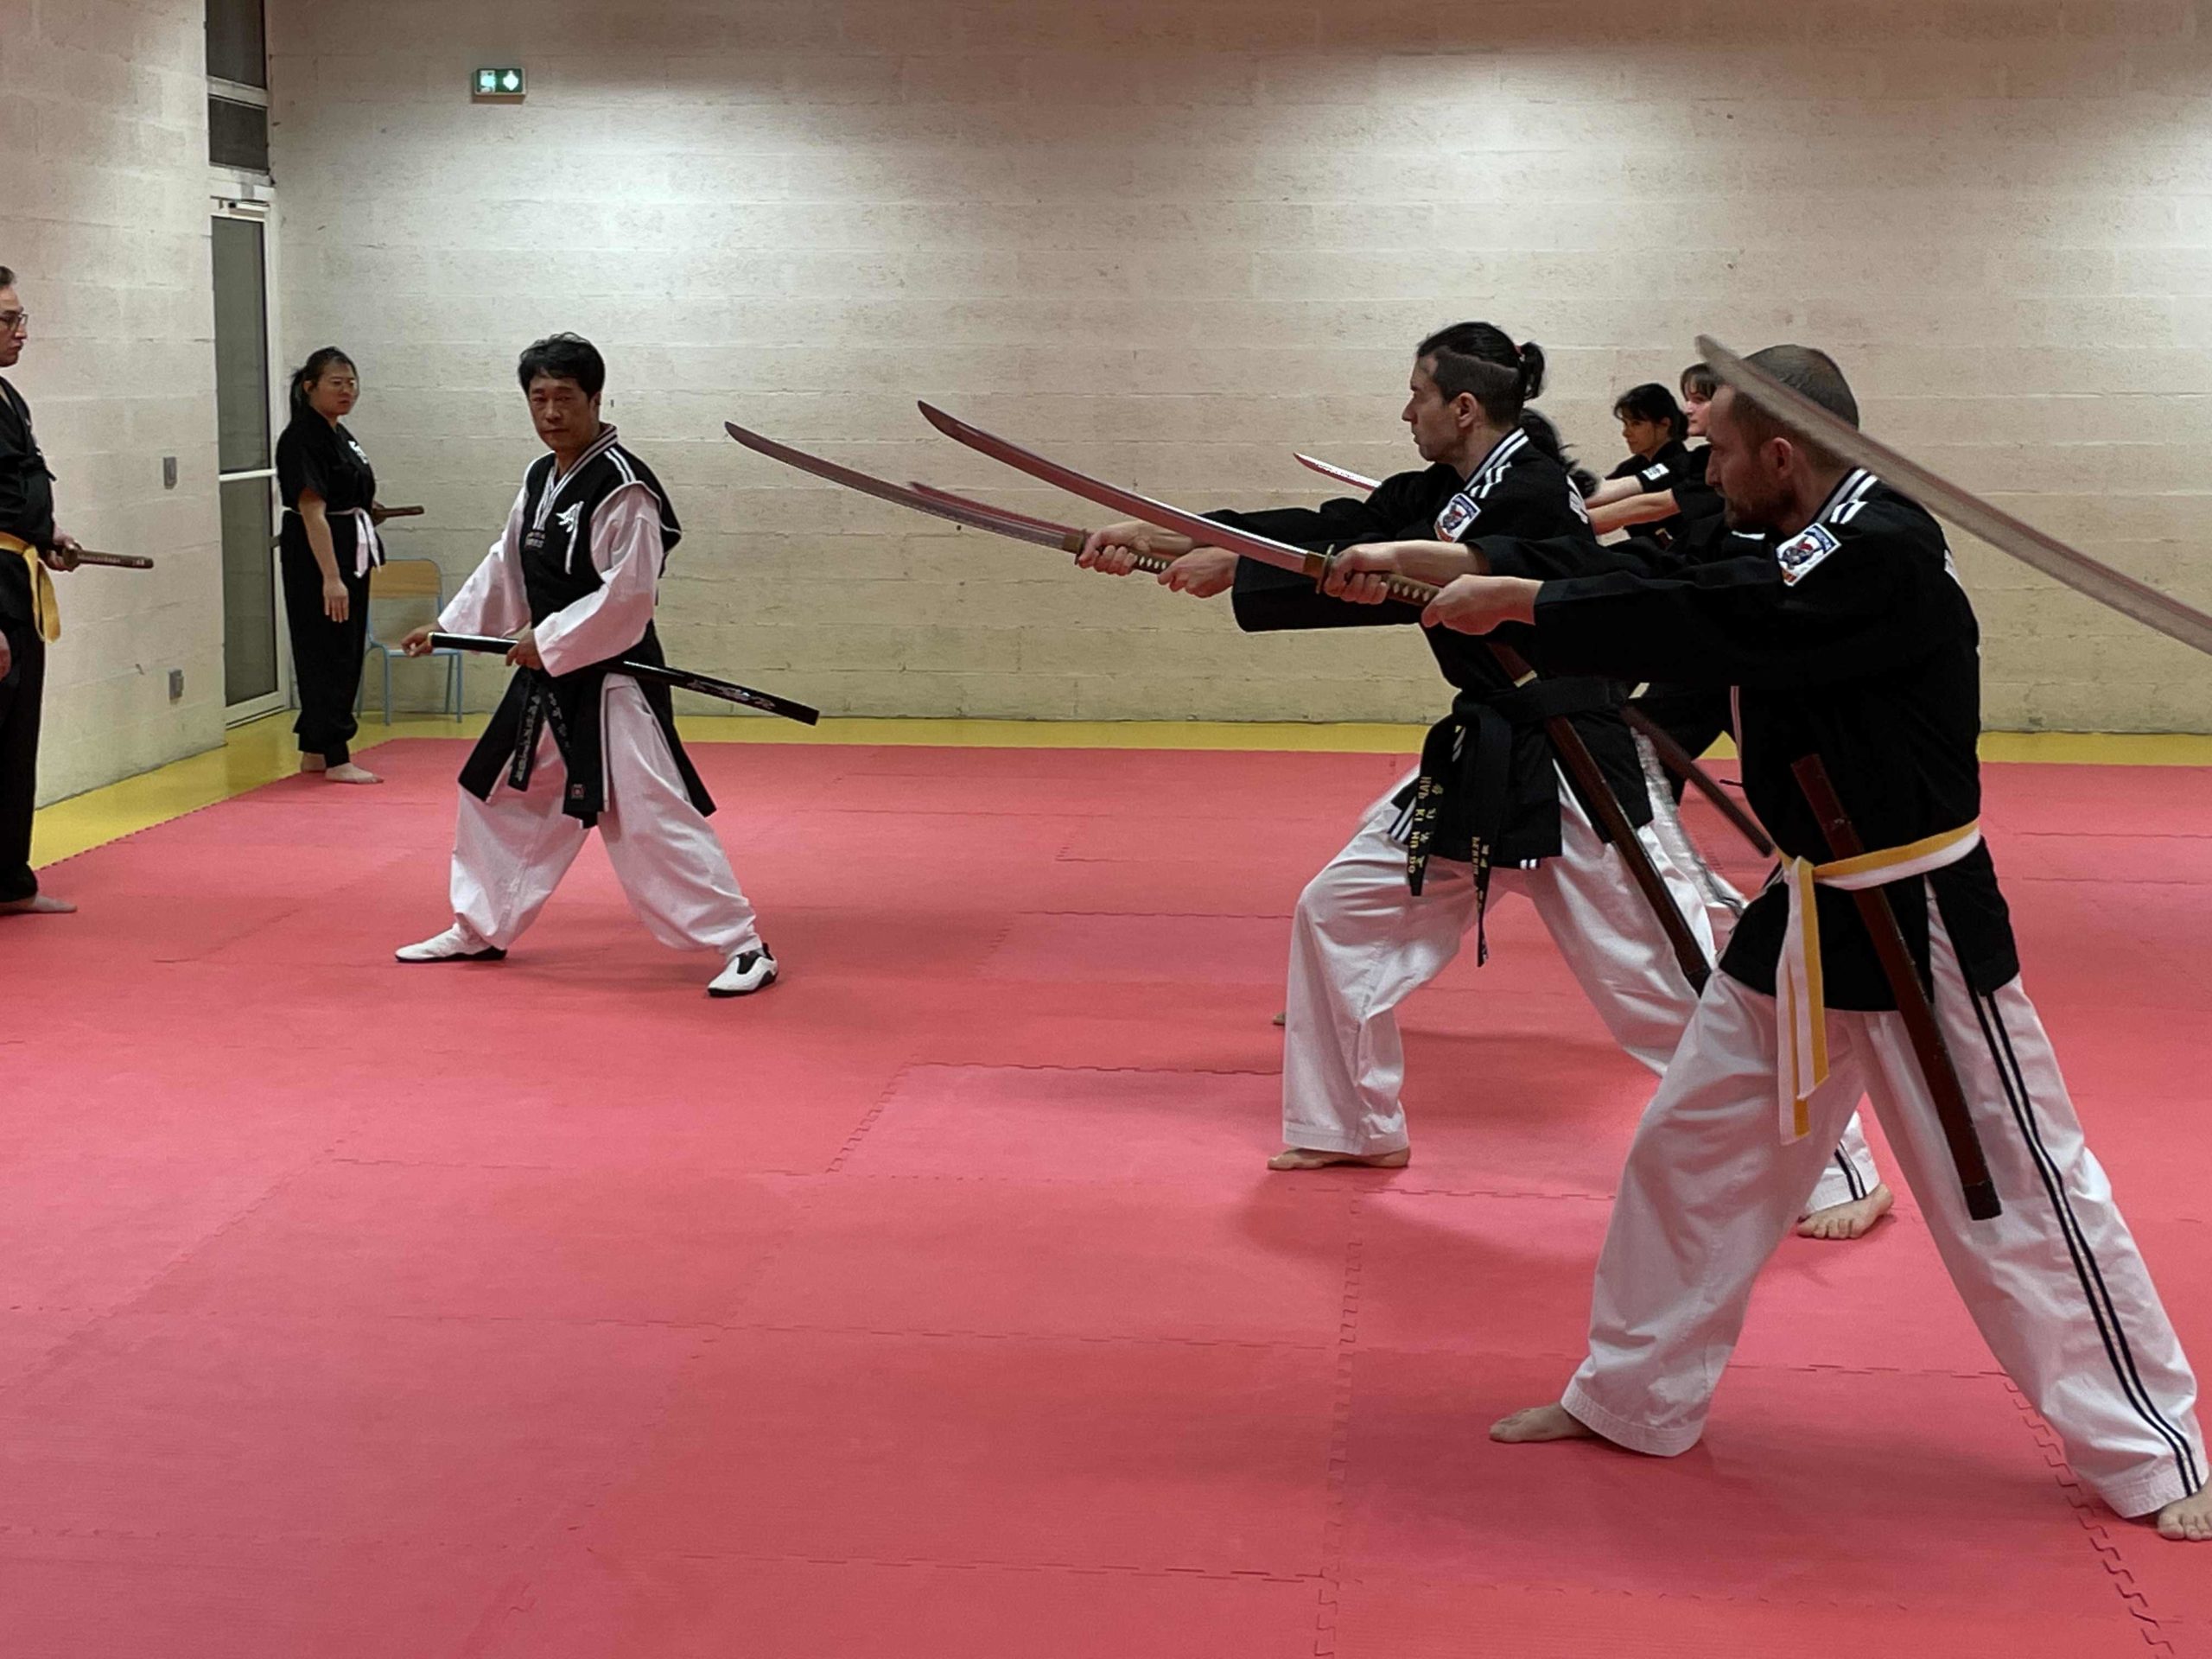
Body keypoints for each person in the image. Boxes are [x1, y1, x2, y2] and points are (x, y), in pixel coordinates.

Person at [1393, 344, 2207, 1543]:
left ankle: (2157, 1449)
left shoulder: (1883, 552)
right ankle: (1634, 1394)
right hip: (1804, 904)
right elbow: (1696, 580)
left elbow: (1728, 614)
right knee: (1690, 1152)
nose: (1703, 473)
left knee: (2013, 1189)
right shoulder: (1801, 532)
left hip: (1914, 915)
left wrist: (1530, 604)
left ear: (1782, 453)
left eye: (1719, 452)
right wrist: (1489, 568)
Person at [1081, 322, 1716, 1174]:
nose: (1406, 412)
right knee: (1341, 913)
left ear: (1464, 407)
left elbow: (1472, 565)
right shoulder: (1441, 487)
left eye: (1418, 395)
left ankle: (1827, 1168)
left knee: (1662, 976)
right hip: (1487, 748)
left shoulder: (1533, 485)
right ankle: (1348, 1127)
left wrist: (1292, 564)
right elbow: (1323, 530)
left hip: (1572, 758)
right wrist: (1166, 534)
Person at [394, 333, 775, 997]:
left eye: (565, 397)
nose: (550, 412)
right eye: (538, 398)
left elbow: (629, 595)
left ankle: (744, 945)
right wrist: (452, 629)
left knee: (648, 817)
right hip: (547, 677)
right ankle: (481, 927)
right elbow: (508, 563)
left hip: (612, 680)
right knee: (494, 794)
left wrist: (550, 638)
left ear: (596, 399)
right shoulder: (540, 478)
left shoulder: (624, 487)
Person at [0, 265, 79, 917]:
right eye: (7, 320)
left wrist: (48, 533)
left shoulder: (8, 397)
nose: (21, 331)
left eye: (20, 317)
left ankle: (8, 880)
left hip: (18, 574)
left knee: (16, 735)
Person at [276, 347, 389, 784]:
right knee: (327, 649)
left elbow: (346, 487)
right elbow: (312, 510)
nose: (347, 391)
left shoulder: (339, 432)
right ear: (310, 387)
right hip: (317, 554)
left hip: (347, 542)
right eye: (336, 383)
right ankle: (337, 754)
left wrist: (365, 507)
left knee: (344, 644)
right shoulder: (301, 437)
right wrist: (331, 577)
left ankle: (315, 750)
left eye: (352, 383)